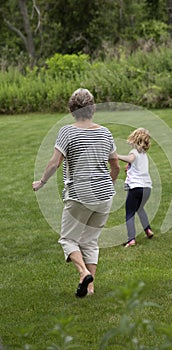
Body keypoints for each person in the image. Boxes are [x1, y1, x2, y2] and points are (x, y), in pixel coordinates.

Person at [32, 88, 120, 297]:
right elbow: (115, 165)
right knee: (90, 240)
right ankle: (90, 288)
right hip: (104, 196)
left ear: (72, 110)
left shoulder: (67, 132)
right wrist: (109, 183)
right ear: (93, 109)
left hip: (80, 194)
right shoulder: (105, 132)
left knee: (68, 240)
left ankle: (83, 273)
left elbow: (55, 162)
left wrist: (42, 181)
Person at [118, 128, 154, 247]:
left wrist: (116, 155)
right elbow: (135, 165)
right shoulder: (144, 154)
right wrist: (129, 167)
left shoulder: (134, 152)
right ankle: (148, 230)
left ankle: (131, 239)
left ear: (135, 139)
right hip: (147, 188)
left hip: (136, 187)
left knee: (130, 212)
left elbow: (130, 159)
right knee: (140, 208)